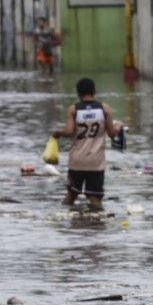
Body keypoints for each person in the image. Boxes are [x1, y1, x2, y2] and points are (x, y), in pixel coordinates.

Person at [50, 78, 124, 213]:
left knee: (71, 195)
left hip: (77, 161)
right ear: (94, 91)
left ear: (77, 93)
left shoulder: (73, 109)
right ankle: (95, 224)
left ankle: (62, 218)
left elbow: (69, 131)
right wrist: (118, 126)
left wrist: (58, 133)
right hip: (96, 162)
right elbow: (112, 134)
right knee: (95, 198)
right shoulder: (104, 109)